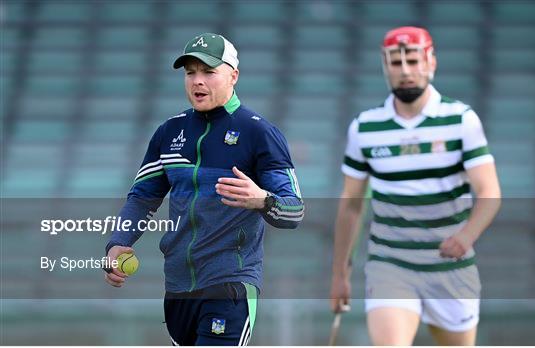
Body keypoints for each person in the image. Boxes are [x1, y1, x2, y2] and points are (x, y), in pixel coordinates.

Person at [104, 33, 304, 346]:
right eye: (190, 72)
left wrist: (262, 200)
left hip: (231, 284)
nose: (198, 81)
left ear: (233, 76)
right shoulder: (169, 132)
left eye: (208, 72)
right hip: (178, 290)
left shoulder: (259, 133)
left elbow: (294, 210)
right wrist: (118, 242)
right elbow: (142, 198)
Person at [330, 26, 501, 346]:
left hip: (450, 266)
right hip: (390, 265)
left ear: (431, 62)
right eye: (396, 62)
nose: (406, 70)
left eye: (413, 60)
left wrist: (466, 235)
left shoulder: (461, 120)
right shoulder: (364, 127)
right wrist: (340, 274)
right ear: (385, 66)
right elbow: (351, 203)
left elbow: (489, 193)